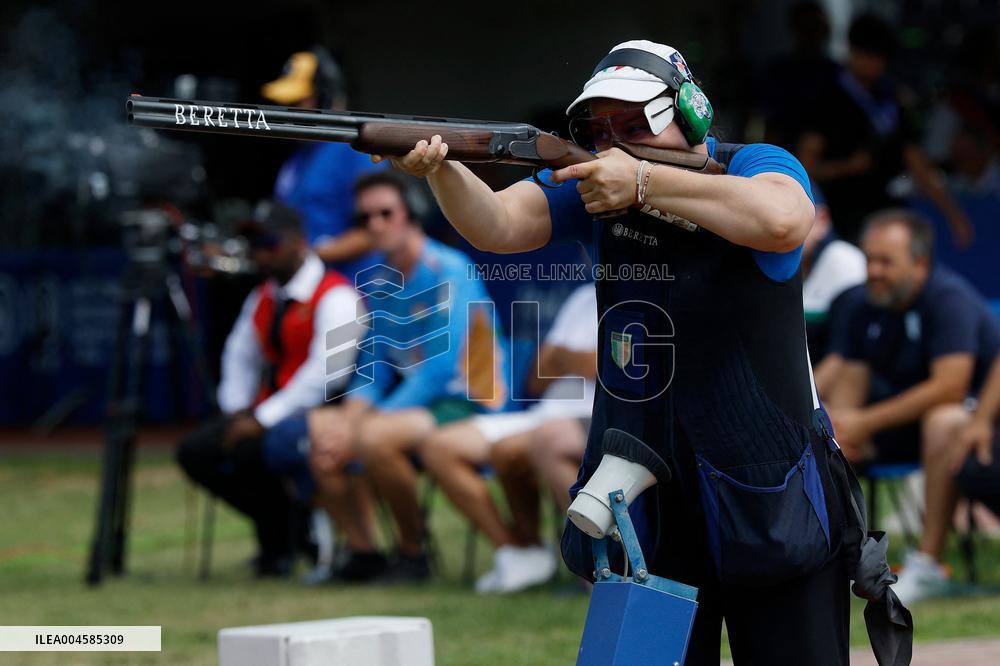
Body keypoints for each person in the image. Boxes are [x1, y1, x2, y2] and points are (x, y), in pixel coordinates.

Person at [380, 39, 888, 665]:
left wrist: (644, 181)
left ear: (691, 110)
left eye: (632, 121)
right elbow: (499, 226)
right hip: (644, 483)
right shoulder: (594, 189)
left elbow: (783, 220)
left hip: (771, 485)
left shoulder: (756, 162)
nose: (611, 139)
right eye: (598, 126)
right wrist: (441, 170)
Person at [306, 170, 510, 583]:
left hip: (469, 398)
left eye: (386, 213)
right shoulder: (379, 279)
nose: (376, 225)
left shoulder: (450, 268)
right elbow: (374, 369)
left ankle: (414, 554)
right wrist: (349, 420)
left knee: (374, 437)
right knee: (321, 427)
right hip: (418, 402)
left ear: (412, 214)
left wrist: (365, 424)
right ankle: (365, 552)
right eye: (365, 219)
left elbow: (440, 369)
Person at [176, 201, 362, 576]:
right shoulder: (262, 296)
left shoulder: (337, 296)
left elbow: (326, 376)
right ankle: (281, 533)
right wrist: (237, 408)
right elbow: (239, 354)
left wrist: (261, 419)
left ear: (298, 242)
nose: (261, 254)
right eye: (254, 245)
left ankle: (290, 537)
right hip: (267, 411)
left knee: (257, 450)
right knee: (197, 452)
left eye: (269, 242)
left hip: (322, 413)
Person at [823, 208, 1000, 603]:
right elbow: (851, 380)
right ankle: (833, 563)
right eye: (869, 259)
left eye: (886, 262)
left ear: (920, 265)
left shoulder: (947, 298)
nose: (874, 271)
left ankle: (930, 564)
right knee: (831, 441)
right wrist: (844, 432)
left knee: (944, 420)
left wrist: (865, 422)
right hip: (901, 428)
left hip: (975, 433)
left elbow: (950, 388)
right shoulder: (858, 303)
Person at [422, 281, 598, 593]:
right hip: (544, 414)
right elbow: (537, 377)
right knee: (439, 446)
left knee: (509, 451)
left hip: (591, 419)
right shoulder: (583, 296)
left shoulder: (639, 295)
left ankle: (592, 565)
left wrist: (564, 357)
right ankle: (518, 551)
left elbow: (613, 369)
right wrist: (574, 360)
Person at [797, 13, 973, 245]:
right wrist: (846, 167)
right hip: (842, 218)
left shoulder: (890, 98)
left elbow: (914, 158)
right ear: (853, 51)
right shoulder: (827, 97)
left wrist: (952, 212)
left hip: (890, 214)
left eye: (881, 56)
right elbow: (805, 166)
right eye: (868, 54)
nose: (874, 63)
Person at [262, 47, 385, 279]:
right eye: (284, 103)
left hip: (354, 294)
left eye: (297, 102)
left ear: (325, 97)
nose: (288, 112)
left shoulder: (356, 150)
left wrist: (308, 255)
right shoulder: (296, 159)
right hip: (306, 292)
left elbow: (376, 233)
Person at [802, 183, 866, 368]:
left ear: (822, 219)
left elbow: (844, 357)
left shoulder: (845, 261)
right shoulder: (759, 263)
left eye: (790, 212)